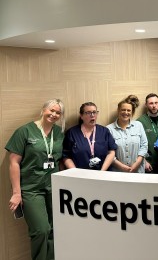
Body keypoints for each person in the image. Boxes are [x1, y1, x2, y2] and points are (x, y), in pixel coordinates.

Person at [6, 99, 65, 260]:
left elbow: (60, 160)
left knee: (54, 229)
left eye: (58, 112)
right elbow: (13, 163)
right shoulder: (24, 131)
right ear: (43, 109)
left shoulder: (59, 133)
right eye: (51, 110)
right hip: (31, 189)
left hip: (53, 187)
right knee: (41, 230)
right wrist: (16, 193)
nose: (53, 114)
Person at [63, 102, 116, 170]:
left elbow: (111, 152)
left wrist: (102, 171)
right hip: (80, 175)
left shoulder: (104, 131)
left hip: (103, 174)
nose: (92, 115)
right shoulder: (72, 133)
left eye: (94, 112)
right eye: (88, 113)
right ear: (81, 115)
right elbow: (66, 156)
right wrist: (75, 173)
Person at [107, 95, 148, 173]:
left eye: (128, 110)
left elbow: (144, 145)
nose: (126, 112)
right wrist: (122, 167)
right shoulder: (109, 129)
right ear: (118, 110)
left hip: (138, 171)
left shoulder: (138, 125)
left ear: (132, 112)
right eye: (123, 110)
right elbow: (108, 152)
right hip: (118, 172)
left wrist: (137, 163)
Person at [137, 93, 158, 173]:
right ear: (146, 105)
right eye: (151, 103)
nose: (154, 105)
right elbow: (137, 145)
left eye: (156, 102)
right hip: (149, 163)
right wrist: (144, 161)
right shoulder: (140, 121)